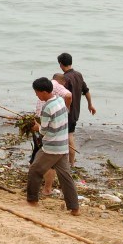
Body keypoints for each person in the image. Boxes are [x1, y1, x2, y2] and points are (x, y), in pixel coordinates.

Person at [26, 77, 80, 215]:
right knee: (66, 177)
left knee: (34, 170)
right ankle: (74, 208)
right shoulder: (60, 100)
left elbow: (43, 130)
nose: (36, 95)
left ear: (44, 92)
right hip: (63, 145)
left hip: (51, 147)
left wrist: (36, 127)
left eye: (37, 92)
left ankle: (32, 201)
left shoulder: (47, 107)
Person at [56, 53, 96, 167]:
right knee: (70, 135)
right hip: (75, 112)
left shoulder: (65, 79)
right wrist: (90, 105)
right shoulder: (78, 75)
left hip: (66, 112)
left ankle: (68, 163)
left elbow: (64, 96)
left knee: (67, 137)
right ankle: (71, 163)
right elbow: (86, 90)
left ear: (60, 64)